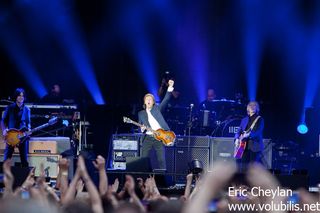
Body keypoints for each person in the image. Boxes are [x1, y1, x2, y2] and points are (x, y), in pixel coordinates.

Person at [138, 80, 174, 170]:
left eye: (150, 99)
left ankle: (163, 179)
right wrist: (142, 129)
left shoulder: (157, 109)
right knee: (143, 158)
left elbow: (165, 100)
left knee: (161, 159)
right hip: (148, 137)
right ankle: (143, 179)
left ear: (153, 102)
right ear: (144, 102)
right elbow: (140, 126)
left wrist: (170, 87)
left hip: (159, 136)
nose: (149, 100)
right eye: (147, 99)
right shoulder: (141, 113)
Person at [1, 88, 31, 167]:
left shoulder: (27, 110)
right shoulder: (10, 108)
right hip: (11, 136)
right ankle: (5, 177)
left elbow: (28, 123)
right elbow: (3, 121)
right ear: (16, 97)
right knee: (6, 160)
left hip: (22, 137)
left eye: (22, 96)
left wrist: (29, 129)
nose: (21, 97)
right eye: (19, 96)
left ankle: (24, 178)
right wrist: (4, 130)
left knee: (24, 160)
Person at [234, 101, 264, 172]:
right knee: (243, 168)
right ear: (248, 108)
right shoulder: (244, 120)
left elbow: (258, 132)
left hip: (254, 146)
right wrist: (236, 139)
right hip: (242, 146)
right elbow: (238, 131)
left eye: (254, 106)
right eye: (250, 106)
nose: (252, 107)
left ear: (257, 108)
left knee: (253, 168)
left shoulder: (260, 119)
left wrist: (249, 135)